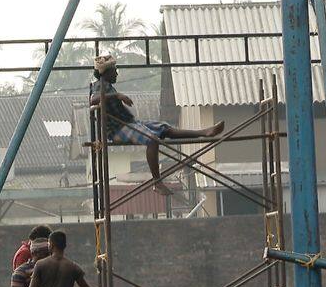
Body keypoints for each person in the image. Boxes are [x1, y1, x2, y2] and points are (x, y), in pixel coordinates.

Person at [90, 55, 225, 196]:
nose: (116, 73)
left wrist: (117, 96)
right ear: (106, 73)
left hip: (129, 123)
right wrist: (118, 96)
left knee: (164, 128)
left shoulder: (108, 86)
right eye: (114, 71)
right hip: (118, 130)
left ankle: (204, 132)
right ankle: (157, 182)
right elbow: (93, 100)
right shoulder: (100, 85)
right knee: (152, 139)